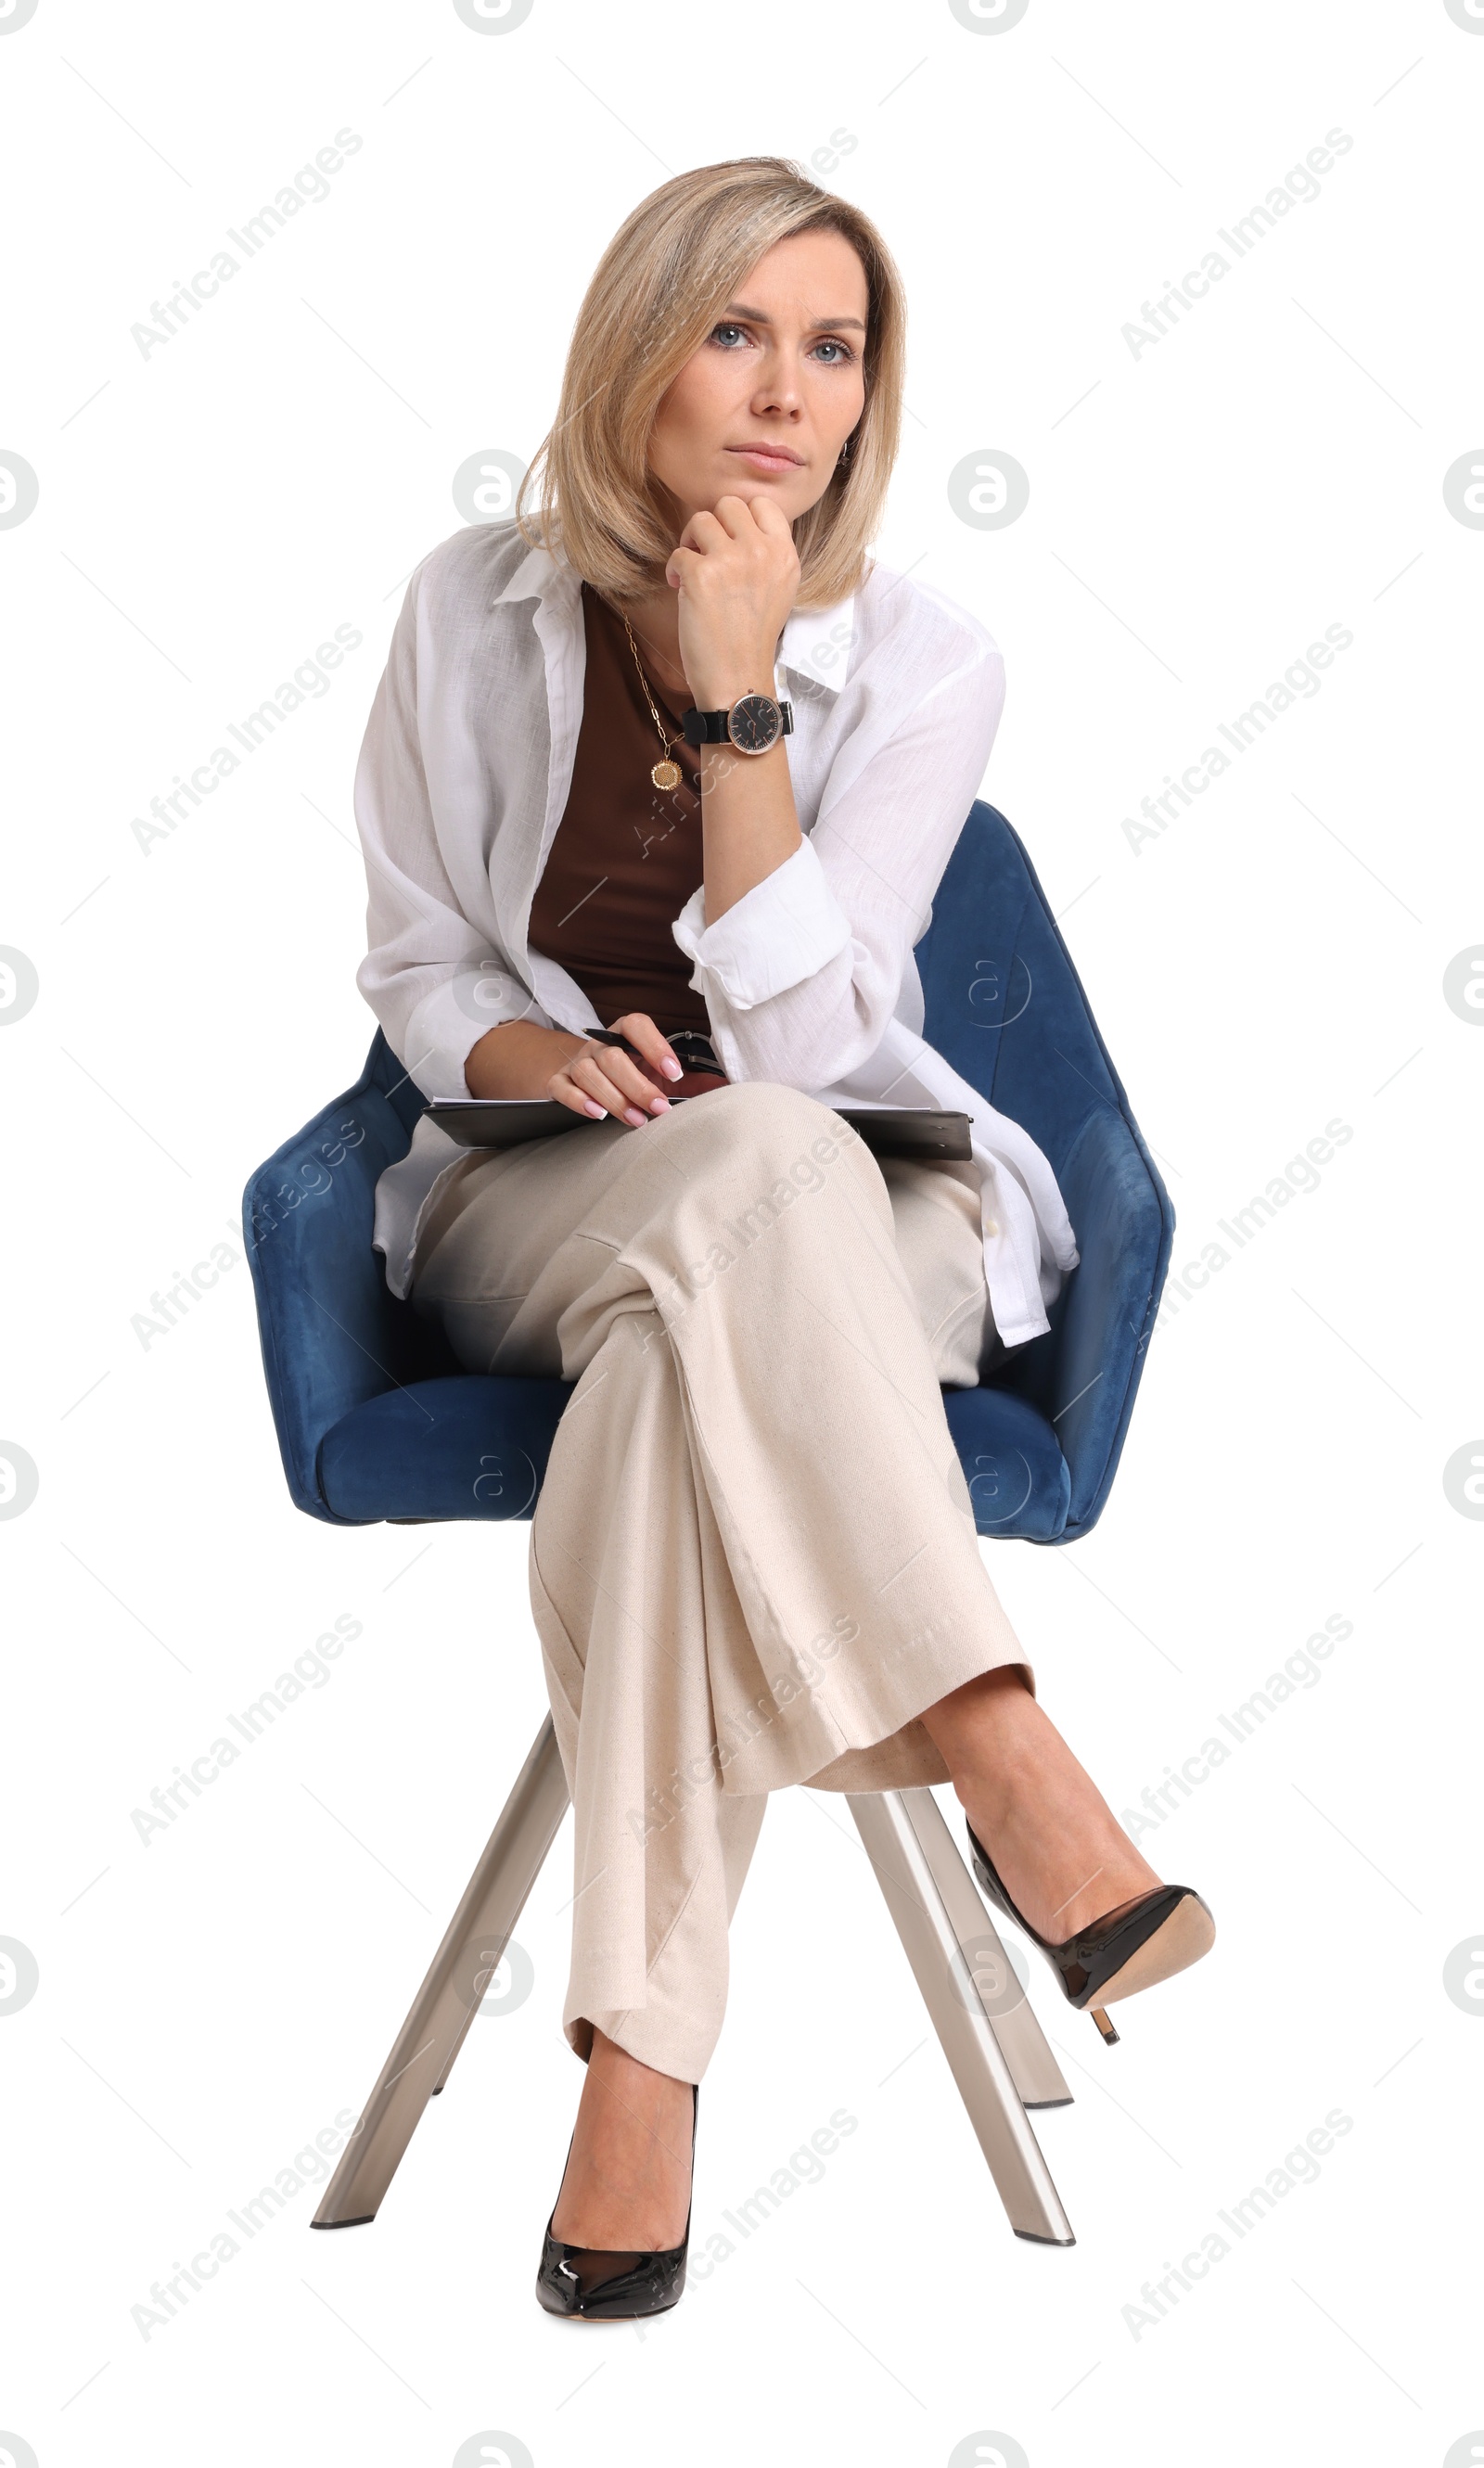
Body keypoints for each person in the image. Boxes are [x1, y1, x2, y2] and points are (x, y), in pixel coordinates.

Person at [352, 157, 1213, 2322]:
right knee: (726, 1197)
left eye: (832, 348)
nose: (787, 393)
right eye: (737, 331)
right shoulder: (469, 605)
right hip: (543, 1196)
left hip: (853, 1202)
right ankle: (997, 1737)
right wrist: (535, 1068)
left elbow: (818, 1040)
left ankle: (635, 2072)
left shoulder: (921, 666)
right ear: (635, 351)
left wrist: (743, 702)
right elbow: (419, 961)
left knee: (733, 1251)